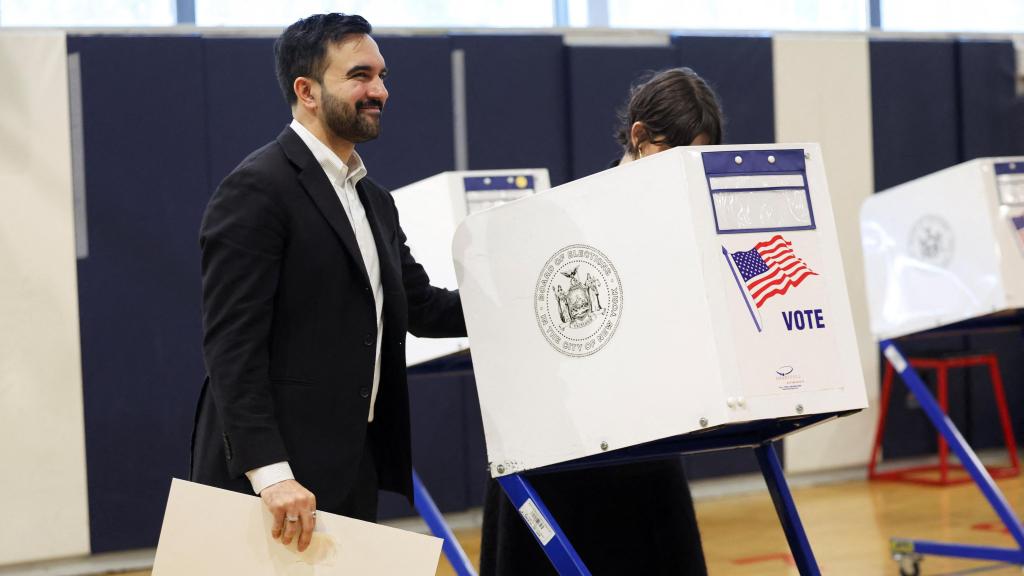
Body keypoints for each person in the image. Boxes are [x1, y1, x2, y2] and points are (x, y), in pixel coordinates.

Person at [190, 13, 465, 553]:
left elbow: (422, 307)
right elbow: (231, 347)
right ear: (306, 91)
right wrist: (271, 475)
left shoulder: (374, 200)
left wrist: (525, 300)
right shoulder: (255, 190)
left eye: (383, 76)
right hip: (274, 482)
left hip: (349, 465)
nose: (379, 91)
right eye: (360, 76)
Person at [479, 67, 723, 575]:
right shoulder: (563, 217)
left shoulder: (685, 221)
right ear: (639, 136)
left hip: (647, 446)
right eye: (676, 158)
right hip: (561, 448)